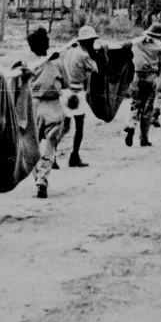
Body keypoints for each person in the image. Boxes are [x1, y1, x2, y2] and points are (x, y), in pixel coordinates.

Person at [25, 28, 69, 198]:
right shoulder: (57, 63)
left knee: (32, 146)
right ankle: (43, 178)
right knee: (50, 145)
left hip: (33, 106)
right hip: (53, 105)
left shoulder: (28, 63)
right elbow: (66, 83)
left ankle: (37, 177)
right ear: (47, 44)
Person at [60, 25, 100, 167]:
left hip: (65, 91)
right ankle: (74, 156)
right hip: (77, 91)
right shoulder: (84, 55)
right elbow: (95, 70)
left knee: (64, 127)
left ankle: (51, 155)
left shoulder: (69, 52)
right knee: (79, 126)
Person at [123, 22, 161, 147]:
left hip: (136, 76)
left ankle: (131, 124)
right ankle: (144, 138)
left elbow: (125, 47)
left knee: (135, 104)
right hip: (151, 77)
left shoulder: (137, 43)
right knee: (147, 109)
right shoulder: (160, 47)